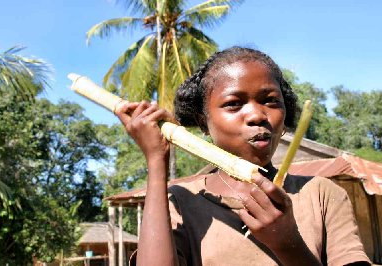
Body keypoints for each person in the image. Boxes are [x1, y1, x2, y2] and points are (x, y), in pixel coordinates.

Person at [115, 47, 370, 265]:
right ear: (204, 123)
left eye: (270, 101)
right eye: (234, 104)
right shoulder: (181, 201)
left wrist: (287, 244)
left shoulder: (321, 194)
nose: (257, 115)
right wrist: (156, 161)